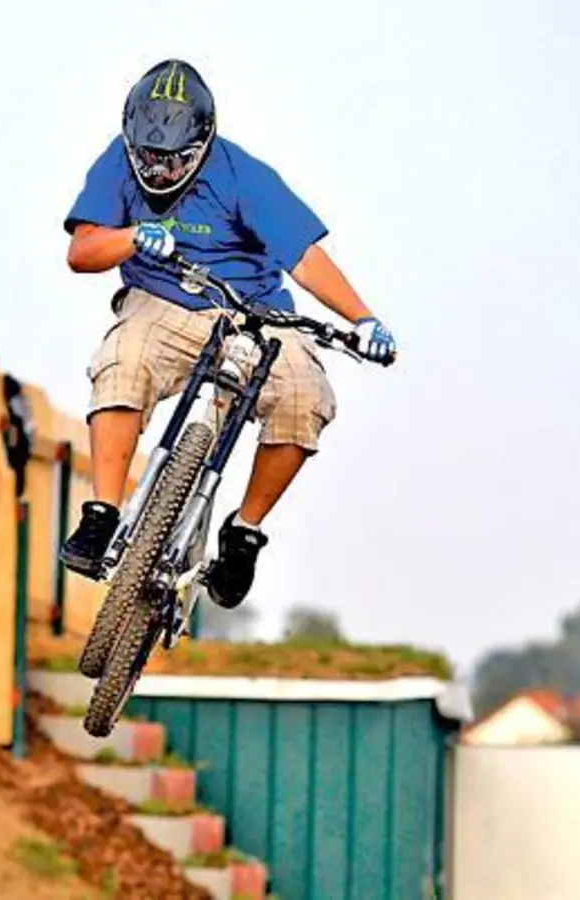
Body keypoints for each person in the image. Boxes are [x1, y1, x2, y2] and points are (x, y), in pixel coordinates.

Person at [57, 59, 397, 611]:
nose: (159, 171)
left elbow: (305, 260)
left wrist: (363, 319)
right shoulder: (116, 162)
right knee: (122, 359)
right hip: (163, 297)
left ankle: (244, 532)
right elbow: (82, 252)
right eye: (148, 157)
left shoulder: (243, 175)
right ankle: (102, 515)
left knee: (304, 396)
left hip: (253, 310)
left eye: (174, 161)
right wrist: (133, 237)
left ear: (204, 143)